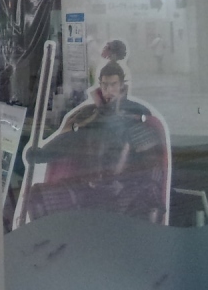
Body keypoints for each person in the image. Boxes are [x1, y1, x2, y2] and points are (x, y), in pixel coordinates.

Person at [22, 41, 168, 224]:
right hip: (88, 189)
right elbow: (71, 140)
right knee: (38, 199)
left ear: (122, 85)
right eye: (105, 85)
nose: (109, 90)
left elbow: (152, 164)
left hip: (124, 190)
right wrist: (42, 153)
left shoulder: (137, 115)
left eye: (113, 85)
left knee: (145, 202)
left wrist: (128, 181)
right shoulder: (90, 115)